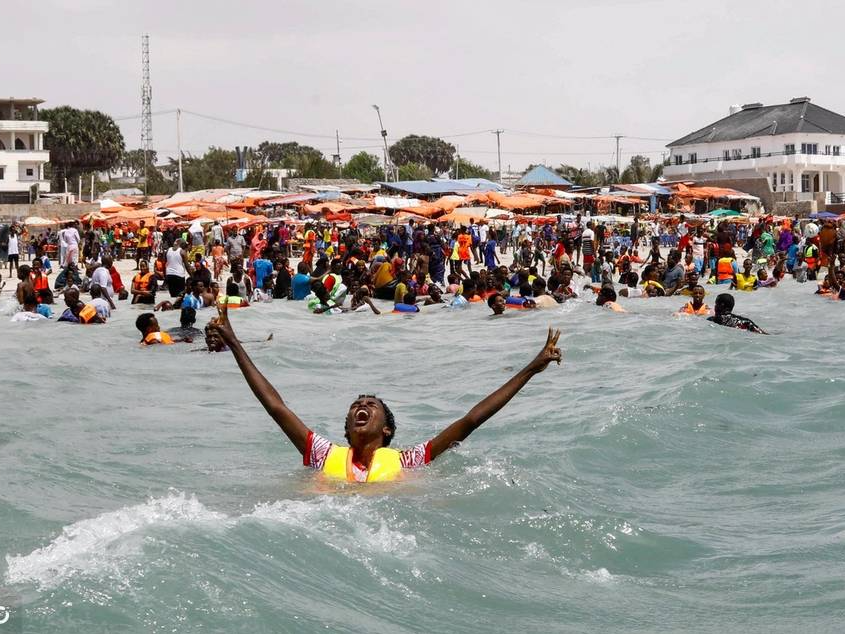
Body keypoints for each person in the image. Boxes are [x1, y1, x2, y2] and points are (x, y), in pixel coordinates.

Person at [208, 304, 562, 483]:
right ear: (347, 429)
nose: (361, 407)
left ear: (387, 430)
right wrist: (234, 342)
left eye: (370, 405)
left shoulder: (409, 461)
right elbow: (275, 406)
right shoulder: (321, 453)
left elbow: (470, 420)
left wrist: (532, 367)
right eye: (355, 406)